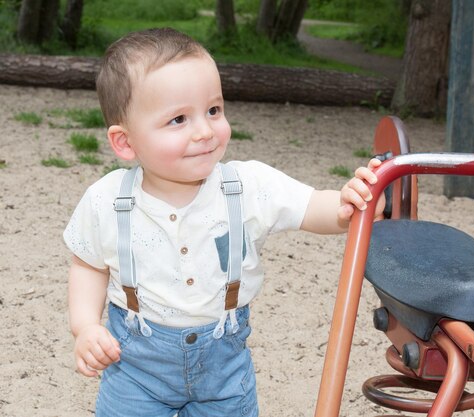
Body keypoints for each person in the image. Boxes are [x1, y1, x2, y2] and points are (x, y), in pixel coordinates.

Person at [63, 27, 383, 417]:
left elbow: (313, 206)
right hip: (134, 369)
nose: (204, 131)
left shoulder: (247, 186)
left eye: (213, 110)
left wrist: (348, 204)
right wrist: (86, 327)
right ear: (126, 143)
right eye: (178, 119)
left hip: (224, 372)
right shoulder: (107, 200)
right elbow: (89, 264)